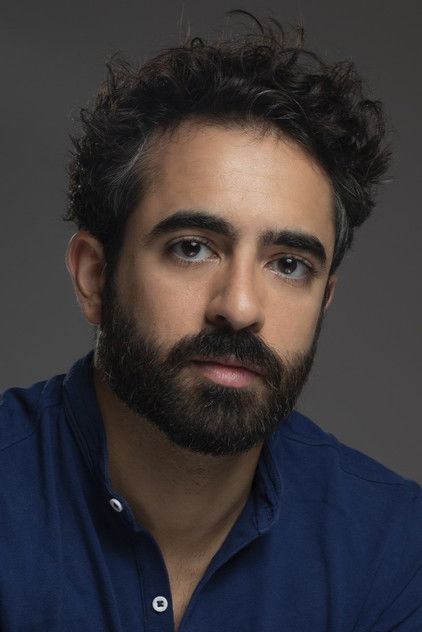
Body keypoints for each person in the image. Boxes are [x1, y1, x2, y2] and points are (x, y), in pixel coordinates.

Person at [1, 11, 421, 631]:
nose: (240, 307)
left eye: (289, 264)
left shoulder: (395, 549)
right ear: (94, 276)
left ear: (325, 297)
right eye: (192, 247)